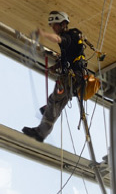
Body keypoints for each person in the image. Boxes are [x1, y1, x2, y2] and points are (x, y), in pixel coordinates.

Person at [22, 10, 91, 142]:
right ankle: (42, 128)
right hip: (76, 79)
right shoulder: (73, 38)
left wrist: (43, 34)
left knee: (54, 102)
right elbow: (69, 56)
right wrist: (56, 66)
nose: (53, 28)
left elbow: (59, 39)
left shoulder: (70, 36)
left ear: (63, 23)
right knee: (55, 103)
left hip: (71, 78)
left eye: (55, 25)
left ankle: (40, 131)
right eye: (52, 25)